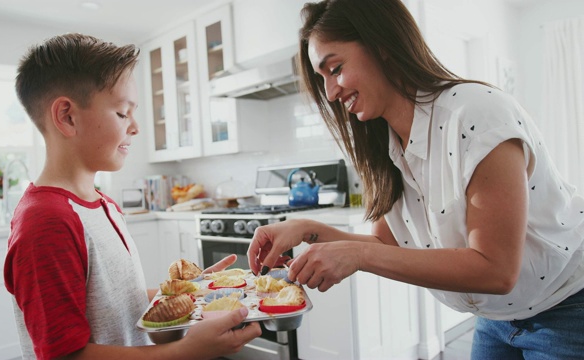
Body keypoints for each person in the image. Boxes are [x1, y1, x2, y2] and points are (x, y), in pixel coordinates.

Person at [247, 0, 584, 358]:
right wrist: (305, 229)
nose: (331, 92)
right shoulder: (385, 144)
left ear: (382, 46)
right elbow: (385, 247)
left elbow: (496, 270)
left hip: (565, 308)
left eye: (336, 68)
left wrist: (357, 255)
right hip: (495, 316)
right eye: (322, 78)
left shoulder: (476, 115)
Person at [3, 33, 260, 360]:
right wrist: (185, 352)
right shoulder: (46, 222)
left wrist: (190, 292)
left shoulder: (102, 205)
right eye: (123, 113)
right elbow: (64, 355)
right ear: (67, 116)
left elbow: (124, 304)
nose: (136, 127)